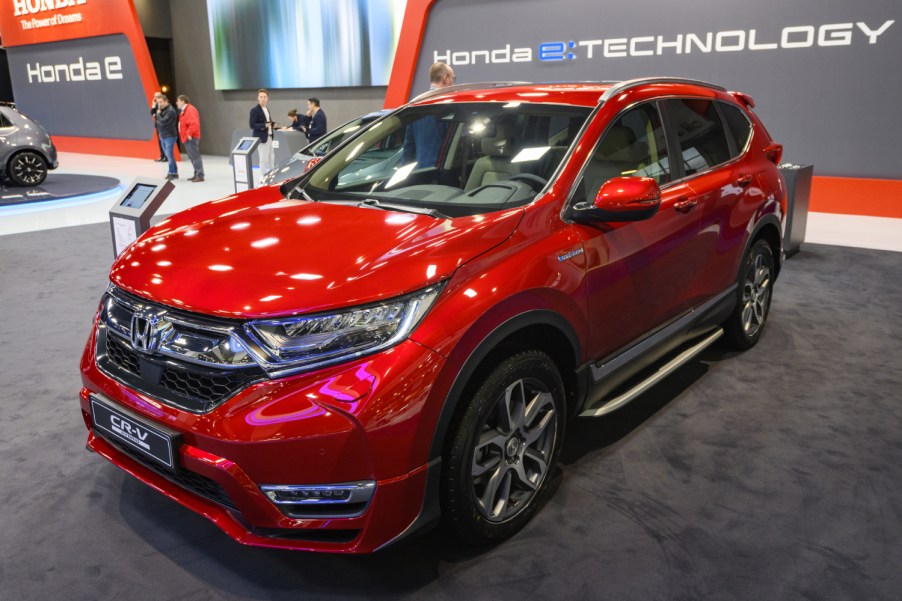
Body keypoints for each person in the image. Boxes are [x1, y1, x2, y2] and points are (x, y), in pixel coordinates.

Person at [402, 62, 456, 168]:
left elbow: (408, 148)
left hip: (419, 173)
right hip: (441, 173)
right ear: (445, 78)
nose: (453, 84)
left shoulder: (415, 106)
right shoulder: (449, 106)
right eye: (453, 79)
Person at [177, 95, 205, 182]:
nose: (176, 103)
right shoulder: (185, 110)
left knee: (195, 156)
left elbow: (194, 123)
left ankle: (200, 175)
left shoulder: (190, 110)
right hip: (187, 137)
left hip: (191, 137)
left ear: (182, 101)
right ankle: (196, 173)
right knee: (192, 157)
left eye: (178, 101)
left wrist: (189, 133)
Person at [249, 88, 276, 175]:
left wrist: (272, 125)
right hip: (262, 137)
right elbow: (252, 125)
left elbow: (268, 122)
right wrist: (264, 125)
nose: (263, 98)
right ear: (258, 98)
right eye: (261, 97)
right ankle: (263, 178)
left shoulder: (266, 109)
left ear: (267, 98)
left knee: (271, 158)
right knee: (263, 160)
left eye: (264, 97)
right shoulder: (255, 110)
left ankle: (272, 176)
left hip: (269, 136)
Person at [154, 94, 179, 180]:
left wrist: (158, 115)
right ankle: (174, 172)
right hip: (163, 135)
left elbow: (164, 121)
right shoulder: (160, 109)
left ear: (166, 101)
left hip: (170, 136)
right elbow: (157, 120)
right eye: (158, 102)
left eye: (161, 102)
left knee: (169, 155)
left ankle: (171, 173)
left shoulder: (170, 110)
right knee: (169, 155)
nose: (159, 104)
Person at [149, 91, 166, 162]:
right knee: (160, 141)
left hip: (163, 125)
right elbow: (152, 113)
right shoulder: (156, 104)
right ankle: (162, 156)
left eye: (157, 96)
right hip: (158, 125)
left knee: (164, 141)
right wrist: (153, 105)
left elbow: (160, 115)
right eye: (155, 96)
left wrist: (156, 115)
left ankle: (166, 156)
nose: (155, 98)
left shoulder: (164, 105)